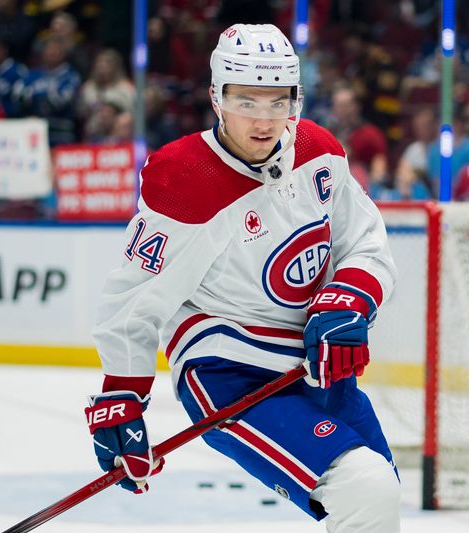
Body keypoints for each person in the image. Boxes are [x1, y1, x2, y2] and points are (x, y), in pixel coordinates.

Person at [84, 24, 401, 533]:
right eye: (246, 100)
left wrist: (348, 300)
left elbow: (363, 239)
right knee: (365, 486)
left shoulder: (318, 151)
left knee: (379, 494)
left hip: (315, 364)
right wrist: (122, 394)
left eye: (279, 102)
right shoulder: (185, 180)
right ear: (216, 96)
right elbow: (135, 296)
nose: (264, 118)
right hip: (230, 370)